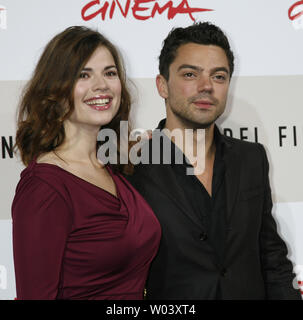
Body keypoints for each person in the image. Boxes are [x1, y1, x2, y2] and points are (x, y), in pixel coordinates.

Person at [126, 22, 301, 299]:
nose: (206, 86)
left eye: (219, 76)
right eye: (190, 74)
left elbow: (272, 258)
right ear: (162, 86)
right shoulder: (130, 166)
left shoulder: (251, 158)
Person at [12, 26, 161, 300]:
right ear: (56, 88)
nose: (101, 85)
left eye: (110, 73)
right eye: (83, 75)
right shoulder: (44, 188)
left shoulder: (113, 170)